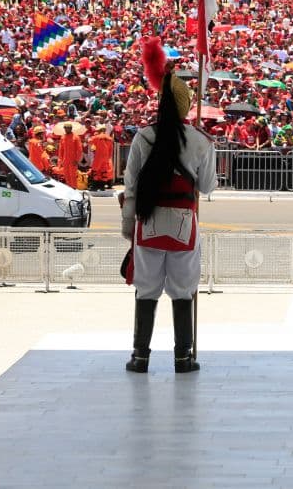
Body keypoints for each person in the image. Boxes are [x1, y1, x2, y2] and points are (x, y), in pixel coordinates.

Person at [121, 37, 216, 374]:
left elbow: (130, 185)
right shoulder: (200, 141)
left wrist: (127, 228)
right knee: (182, 290)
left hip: (147, 223)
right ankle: (183, 358)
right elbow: (207, 187)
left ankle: (141, 357)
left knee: (146, 291)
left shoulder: (143, 136)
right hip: (183, 226)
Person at [57, 123, 83, 187]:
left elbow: (79, 150)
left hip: (73, 159)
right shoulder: (63, 137)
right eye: (65, 128)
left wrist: (77, 160)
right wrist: (60, 160)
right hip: (65, 160)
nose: (66, 129)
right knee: (66, 175)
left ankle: (74, 188)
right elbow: (61, 149)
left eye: (67, 128)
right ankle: (69, 188)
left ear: (70, 129)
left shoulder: (76, 137)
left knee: (73, 175)